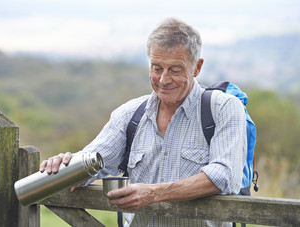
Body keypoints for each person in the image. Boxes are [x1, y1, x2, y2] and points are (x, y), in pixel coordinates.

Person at [40, 17, 247, 226]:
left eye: (175, 70)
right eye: (157, 68)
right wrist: (66, 166)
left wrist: (153, 193)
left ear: (197, 67)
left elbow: (223, 176)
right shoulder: (130, 114)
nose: (164, 80)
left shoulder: (223, 109)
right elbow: (94, 161)